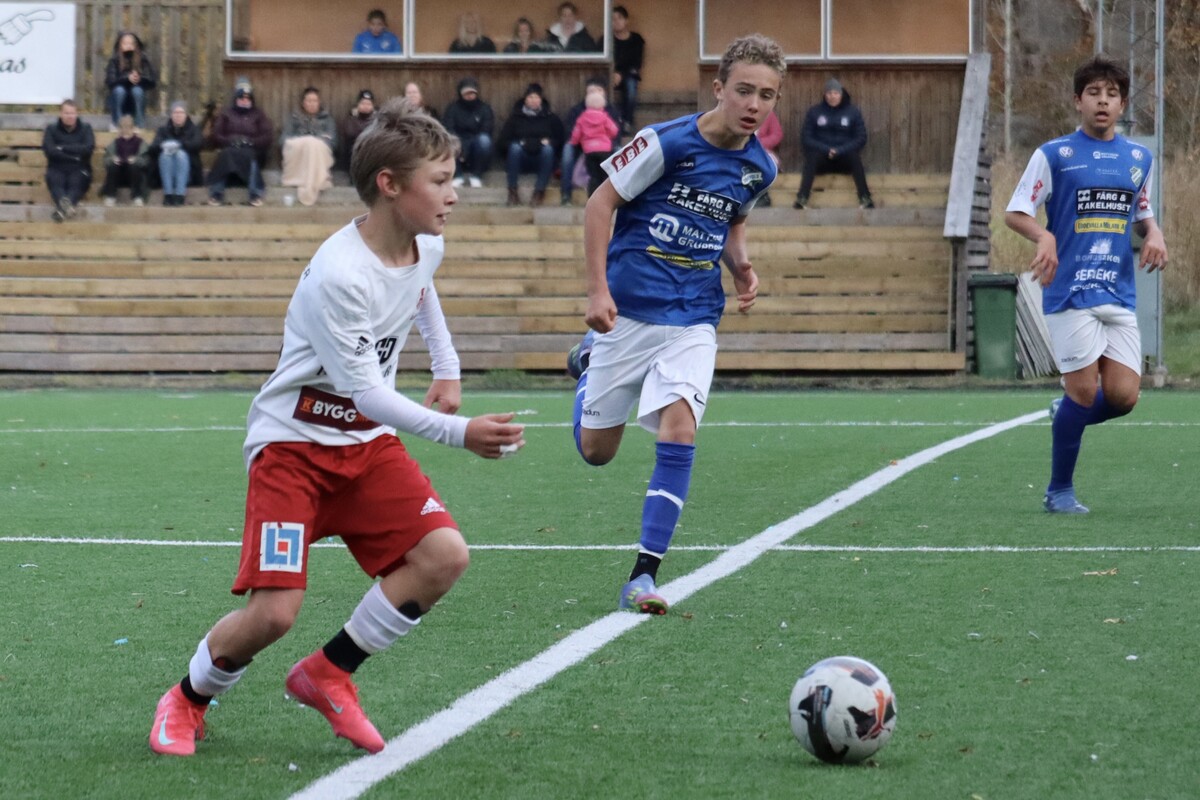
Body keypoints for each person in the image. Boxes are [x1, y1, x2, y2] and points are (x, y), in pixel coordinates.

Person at [147, 98, 526, 758]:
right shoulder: (340, 274)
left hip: (364, 445)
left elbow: (422, 287)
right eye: (439, 181)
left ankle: (328, 674)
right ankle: (187, 699)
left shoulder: (425, 240)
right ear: (390, 184)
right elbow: (367, 394)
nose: (453, 195)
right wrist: (458, 430)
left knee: (442, 557)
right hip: (292, 449)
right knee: (274, 614)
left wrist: (447, 366)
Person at [565, 35, 782, 613]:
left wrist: (741, 266)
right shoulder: (664, 143)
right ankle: (588, 363)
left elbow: (733, 219)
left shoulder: (761, 167)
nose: (753, 105)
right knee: (597, 452)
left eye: (766, 96)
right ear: (718, 88)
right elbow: (599, 204)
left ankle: (644, 575)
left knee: (680, 428)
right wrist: (597, 290)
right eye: (744, 91)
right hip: (629, 312)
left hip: (694, 316)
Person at [1004, 55, 1167, 515]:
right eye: (1094, 93)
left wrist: (1154, 232)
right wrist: (1045, 237)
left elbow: (1141, 212)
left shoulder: (1139, 158)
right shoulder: (1054, 155)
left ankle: (1066, 417)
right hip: (1070, 291)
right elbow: (1016, 211)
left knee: (1123, 397)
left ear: (1122, 105)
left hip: (1118, 292)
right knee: (1082, 392)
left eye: (1112, 94)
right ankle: (1059, 491)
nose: (1103, 101)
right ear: (1078, 101)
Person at [794, 78, 873, 210]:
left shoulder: (853, 112)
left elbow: (861, 138)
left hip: (844, 159)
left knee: (854, 157)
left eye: (836, 93)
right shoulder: (815, 112)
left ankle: (865, 198)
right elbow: (806, 138)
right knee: (812, 158)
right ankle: (802, 198)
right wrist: (826, 149)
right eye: (829, 93)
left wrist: (840, 150)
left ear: (841, 94)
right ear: (825, 95)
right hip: (822, 159)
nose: (832, 96)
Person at [207, 80, 273, 207]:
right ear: (236, 99)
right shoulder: (226, 114)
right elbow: (215, 135)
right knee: (225, 155)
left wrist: (250, 142)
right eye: (241, 98)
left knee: (250, 156)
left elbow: (267, 136)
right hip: (230, 148)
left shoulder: (258, 114)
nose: (244, 101)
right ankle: (216, 193)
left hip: (252, 149)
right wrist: (230, 140)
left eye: (247, 98)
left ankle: (255, 193)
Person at [497, 83, 563, 207]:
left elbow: (560, 140)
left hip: (542, 160)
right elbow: (502, 142)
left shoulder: (551, 118)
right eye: (530, 97)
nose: (533, 100)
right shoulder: (515, 118)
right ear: (525, 99)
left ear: (541, 100)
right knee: (515, 148)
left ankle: (539, 192)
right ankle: (512, 192)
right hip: (520, 160)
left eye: (536, 97)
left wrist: (549, 142)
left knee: (548, 150)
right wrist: (521, 143)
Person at [560, 77, 620, 206]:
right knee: (567, 150)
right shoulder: (577, 110)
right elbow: (613, 130)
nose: (595, 93)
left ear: (604, 92)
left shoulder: (611, 110)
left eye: (599, 90)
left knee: (618, 153)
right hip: (592, 147)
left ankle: (613, 194)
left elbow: (617, 135)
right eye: (591, 91)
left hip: (592, 148)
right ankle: (566, 193)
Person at [281, 86, 337, 206]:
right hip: (299, 151)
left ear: (319, 102)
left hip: (319, 151)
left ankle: (316, 179)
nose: (312, 104)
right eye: (309, 101)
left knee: (313, 144)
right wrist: (303, 141)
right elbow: (283, 140)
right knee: (308, 143)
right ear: (303, 103)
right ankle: (299, 177)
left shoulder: (327, 119)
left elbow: (333, 141)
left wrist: (315, 141)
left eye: (314, 101)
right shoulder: (294, 118)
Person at [42, 99, 95, 223]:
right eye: (66, 113)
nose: (70, 116)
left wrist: (62, 148)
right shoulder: (51, 129)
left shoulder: (86, 129)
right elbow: (50, 151)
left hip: (79, 168)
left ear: (76, 114)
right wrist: (74, 156)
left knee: (76, 183)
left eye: (72, 113)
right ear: (61, 114)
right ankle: (67, 207)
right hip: (57, 167)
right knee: (55, 181)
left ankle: (61, 210)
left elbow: (88, 149)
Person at [442, 77, 494, 189]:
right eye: (466, 93)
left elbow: (486, 129)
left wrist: (466, 146)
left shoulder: (484, 109)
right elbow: (448, 128)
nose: (470, 96)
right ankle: (457, 175)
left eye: (472, 93)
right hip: (458, 144)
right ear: (461, 94)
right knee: (449, 141)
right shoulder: (452, 109)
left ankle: (476, 176)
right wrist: (460, 145)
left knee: (484, 141)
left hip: (476, 145)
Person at [150, 100, 204, 206]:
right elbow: (153, 148)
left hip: (189, 172)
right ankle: (168, 194)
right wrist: (164, 145)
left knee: (180, 154)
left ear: (186, 115)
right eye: (175, 112)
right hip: (166, 171)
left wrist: (179, 145)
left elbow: (198, 144)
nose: (178, 115)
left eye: (181, 112)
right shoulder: (163, 130)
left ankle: (180, 194)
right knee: (165, 155)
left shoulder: (194, 130)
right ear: (171, 115)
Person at [104, 31, 157, 130]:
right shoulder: (114, 60)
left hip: (136, 100)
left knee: (137, 91)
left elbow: (152, 80)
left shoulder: (143, 59)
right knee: (119, 90)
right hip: (119, 99)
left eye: (131, 43)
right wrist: (126, 78)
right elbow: (110, 82)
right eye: (125, 43)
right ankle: (117, 124)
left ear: (135, 45)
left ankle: (139, 125)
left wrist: (140, 79)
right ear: (120, 45)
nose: (128, 45)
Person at [101, 114, 150, 207]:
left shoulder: (140, 143)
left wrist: (137, 160)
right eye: (123, 128)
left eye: (128, 128)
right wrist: (112, 159)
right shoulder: (115, 143)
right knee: (113, 166)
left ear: (133, 128)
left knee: (134, 166)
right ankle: (110, 196)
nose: (126, 131)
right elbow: (105, 160)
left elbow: (147, 161)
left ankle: (137, 196)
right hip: (119, 175)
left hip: (135, 176)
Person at [611, 6, 645, 134]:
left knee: (631, 87)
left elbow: (636, 63)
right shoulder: (606, 40)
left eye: (619, 18)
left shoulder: (636, 39)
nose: (616, 22)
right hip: (610, 74)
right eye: (613, 19)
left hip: (629, 74)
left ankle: (627, 122)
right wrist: (613, 73)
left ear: (626, 20)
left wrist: (621, 74)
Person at [339, 89, 376, 172]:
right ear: (358, 105)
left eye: (368, 104)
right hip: (355, 152)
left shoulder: (377, 119)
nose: (365, 106)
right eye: (363, 103)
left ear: (372, 106)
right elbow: (350, 133)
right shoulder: (351, 118)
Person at [755, 110, 782, 207]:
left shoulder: (768, 113)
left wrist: (758, 144)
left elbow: (777, 134)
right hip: (740, 150)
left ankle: (762, 196)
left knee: (765, 161)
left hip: (763, 150)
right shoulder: (737, 112)